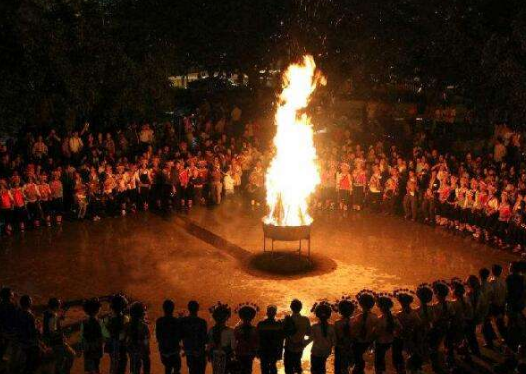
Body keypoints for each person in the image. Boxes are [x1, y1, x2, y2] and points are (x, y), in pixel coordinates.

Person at [42, 297, 75, 374]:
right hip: (56, 343)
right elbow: (53, 332)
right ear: (55, 306)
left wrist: (59, 319)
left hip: (51, 342)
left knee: (60, 359)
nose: (60, 307)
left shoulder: (47, 313)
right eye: (59, 306)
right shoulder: (53, 316)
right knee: (71, 355)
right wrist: (65, 332)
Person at [351, 290, 378, 374]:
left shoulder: (358, 317)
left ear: (360, 304)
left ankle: (358, 368)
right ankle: (360, 368)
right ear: (373, 305)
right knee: (361, 356)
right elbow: (377, 330)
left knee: (357, 357)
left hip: (358, 341)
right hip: (368, 341)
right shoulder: (374, 317)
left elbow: (353, 330)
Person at [374, 294, 400, 374]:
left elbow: (377, 333)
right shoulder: (394, 318)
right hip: (393, 341)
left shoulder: (380, 319)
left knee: (379, 362)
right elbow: (399, 329)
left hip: (381, 343)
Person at [103, 294, 129, 374]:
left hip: (112, 346)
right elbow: (125, 334)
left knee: (113, 364)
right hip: (121, 347)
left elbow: (105, 334)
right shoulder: (125, 319)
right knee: (121, 365)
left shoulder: (107, 319)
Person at [283, 299, 311, 374]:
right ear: (301, 308)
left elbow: (283, 334)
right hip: (300, 347)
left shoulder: (287, 319)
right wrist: (304, 343)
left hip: (289, 347)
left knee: (288, 369)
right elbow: (309, 334)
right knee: (298, 366)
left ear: (291, 307)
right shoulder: (305, 320)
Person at [180, 301, 208, 374]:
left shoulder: (183, 321)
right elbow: (205, 339)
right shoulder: (202, 322)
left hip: (189, 351)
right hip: (200, 352)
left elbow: (181, 335)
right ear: (198, 308)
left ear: (188, 308)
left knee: (191, 370)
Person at [308, 302, 335, 374]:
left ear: (317, 315)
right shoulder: (332, 328)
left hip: (316, 352)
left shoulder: (314, 327)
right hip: (326, 352)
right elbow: (334, 342)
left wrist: (301, 344)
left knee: (314, 369)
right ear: (329, 315)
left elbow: (310, 339)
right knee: (322, 367)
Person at [207, 303, 235, 374]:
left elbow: (209, 344)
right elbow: (233, 346)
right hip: (226, 355)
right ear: (226, 318)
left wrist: (209, 353)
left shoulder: (212, 330)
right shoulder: (230, 331)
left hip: (215, 355)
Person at [156, 300, 181, 374]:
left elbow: (158, 337)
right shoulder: (176, 321)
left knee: (168, 367)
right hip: (174, 351)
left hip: (163, 351)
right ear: (173, 309)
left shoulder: (159, 321)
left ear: (163, 308)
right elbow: (178, 337)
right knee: (177, 367)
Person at [16, 295, 40, 374]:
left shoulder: (18, 311)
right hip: (27, 342)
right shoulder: (30, 316)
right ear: (29, 303)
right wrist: (38, 328)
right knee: (38, 351)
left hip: (18, 338)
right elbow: (32, 333)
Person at [257, 305, 284, 374]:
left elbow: (258, 339)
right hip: (274, 350)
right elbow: (281, 340)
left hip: (264, 350)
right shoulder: (279, 325)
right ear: (275, 314)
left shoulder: (261, 324)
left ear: (267, 313)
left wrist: (257, 352)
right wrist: (280, 353)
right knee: (273, 367)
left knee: (264, 368)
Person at [233, 304, 259, 374]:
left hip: (243, 353)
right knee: (247, 370)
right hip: (246, 353)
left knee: (242, 370)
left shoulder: (237, 329)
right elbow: (256, 342)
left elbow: (233, 342)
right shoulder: (254, 329)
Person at [126, 302, 151, 374]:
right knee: (146, 362)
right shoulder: (144, 326)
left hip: (132, 350)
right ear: (142, 314)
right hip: (141, 350)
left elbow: (126, 339)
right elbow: (146, 340)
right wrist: (147, 350)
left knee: (133, 365)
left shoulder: (127, 325)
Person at [80, 298, 104, 374]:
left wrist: (82, 347)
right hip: (96, 348)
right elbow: (101, 337)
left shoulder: (85, 322)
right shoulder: (98, 322)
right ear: (97, 309)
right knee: (96, 366)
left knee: (91, 368)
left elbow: (83, 336)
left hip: (88, 348)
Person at [333, 297, 355, 374]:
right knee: (348, 367)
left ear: (339, 311)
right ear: (352, 311)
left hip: (340, 348)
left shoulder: (337, 323)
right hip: (351, 347)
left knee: (339, 368)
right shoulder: (354, 322)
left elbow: (335, 338)